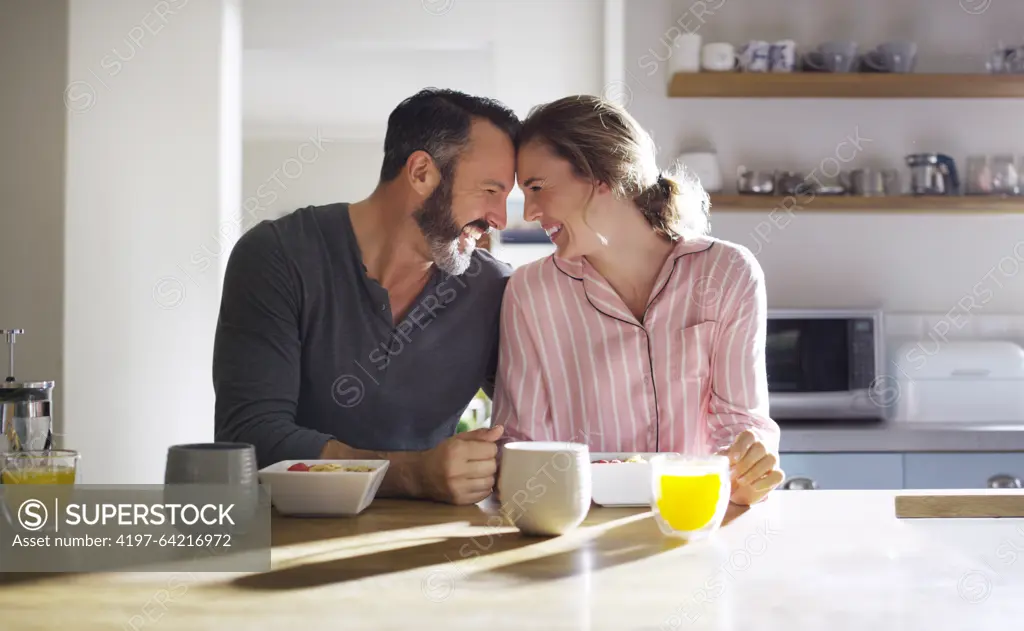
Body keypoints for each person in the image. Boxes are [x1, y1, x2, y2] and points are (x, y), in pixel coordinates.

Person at [214, 88, 519, 505]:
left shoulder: (495, 290)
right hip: (280, 542)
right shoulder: (277, 255)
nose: (499, 219)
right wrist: (409, 474)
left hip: (424, 551)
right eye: (490, 190)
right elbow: (251, 439)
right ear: (421, 173)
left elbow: (544, 414)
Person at [491, 95, 783, 505]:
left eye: (537, 187)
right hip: (578, 530)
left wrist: (748, 470)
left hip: (691, 520)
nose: (532, 211)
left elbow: (740, 428)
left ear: (602, 175)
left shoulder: (727, 272)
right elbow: (519, 444)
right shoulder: (530, 292)